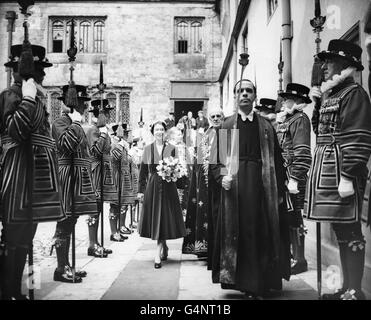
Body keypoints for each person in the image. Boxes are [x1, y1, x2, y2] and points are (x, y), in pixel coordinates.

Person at [210, 79, 290, 299]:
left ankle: (261, 282)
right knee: (240, 232)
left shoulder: (266, 126)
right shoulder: (226, 126)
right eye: (240, 91)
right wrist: (222, 177)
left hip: (262, 186)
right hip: (235, 190)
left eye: (249, 91)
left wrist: (280, 192)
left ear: (255, 96)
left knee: (261, 230)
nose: (244, 94)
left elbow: (277, 158)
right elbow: (214, 161)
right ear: (235, 97)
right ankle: (244, 282)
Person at [305, 39, 371, 300]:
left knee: (352, 229)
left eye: (329, 62)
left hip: (345, 174)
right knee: (341, 229)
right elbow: (319, 131)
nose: (324, 67)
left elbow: (357, 138)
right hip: (328, 171)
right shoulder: (332, 94)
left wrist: (348, 176)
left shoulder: (355, 94)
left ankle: (356, 290)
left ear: (343, 64)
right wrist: (318, 104)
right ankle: (346, 287)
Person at [0, 44, 64, 299]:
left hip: (35, 178)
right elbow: (16, 130)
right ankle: (9, 291)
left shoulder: (37, 99)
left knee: (28, 237)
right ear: (29, 72)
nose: (44, 76)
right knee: (14, 237)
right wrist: (26, 98)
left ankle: (25, 288)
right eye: (41, 70)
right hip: (16, 177)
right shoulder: (10, 95)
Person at [51, 84, 97, 282]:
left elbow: (85, 153)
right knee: (64, 221)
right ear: (71, 104)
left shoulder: (77, 123)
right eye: (81, 104)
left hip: (78, 177)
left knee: (72, 220)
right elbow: (66, 145)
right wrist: (76, 125)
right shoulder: (60, 122)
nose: (84, 108)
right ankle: (61, 268)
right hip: (66, 176)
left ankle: (68, 265)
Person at [138, 121, 186, 269]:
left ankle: (158, 253)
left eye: (161, 129)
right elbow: (143, 171)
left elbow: (177, 167)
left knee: (164, 217)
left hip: (168, 186)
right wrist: (140, 190)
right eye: (156, 129)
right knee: (156, 217)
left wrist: (179, 184)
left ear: (165, 132)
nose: (159, 131)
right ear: (153, 131)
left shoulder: (172, 148)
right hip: (153, 186)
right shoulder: (147, 149)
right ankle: (161, 248)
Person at [276, 83, 312, 275]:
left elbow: (303, 152)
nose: (284, 101)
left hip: (293, 178)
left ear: (297, 101)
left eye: (287, 98)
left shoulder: (301, 119)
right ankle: (292, 255)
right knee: (288, 217)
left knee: (295, 217)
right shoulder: (286, 120)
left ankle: (300, 259)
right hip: (283, 175)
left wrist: (295, 178)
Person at [85, 99, 117, 257]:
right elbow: (96, 151)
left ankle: (96, 243)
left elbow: (108, 149)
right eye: (106, 114)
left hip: (104, 170)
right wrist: (104, 134)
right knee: (94, 208)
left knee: (98, 208)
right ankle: (92, 244)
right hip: (95, 171)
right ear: (100, 115)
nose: (108, 117)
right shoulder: (93, 130)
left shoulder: (104, 130)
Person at [204, 106, 224, 271]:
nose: (216, 118)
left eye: (219, 116)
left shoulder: (227, 132)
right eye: (213, 116)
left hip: (223, 182)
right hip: (209, 181)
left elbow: (227, 159)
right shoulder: (206, 134)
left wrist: (223, 176)